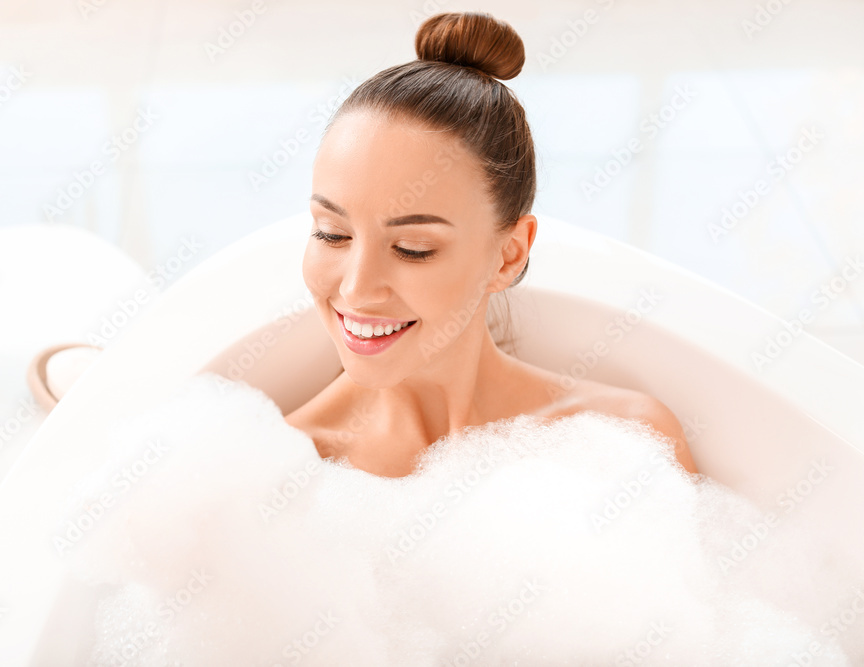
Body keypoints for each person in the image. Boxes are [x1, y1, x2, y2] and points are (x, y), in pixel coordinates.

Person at [284, 10, 698, 479]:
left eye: (413, 248)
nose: (358, 289)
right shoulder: (279, 472)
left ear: (509, 255)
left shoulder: (628, 444)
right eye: (331, 234)